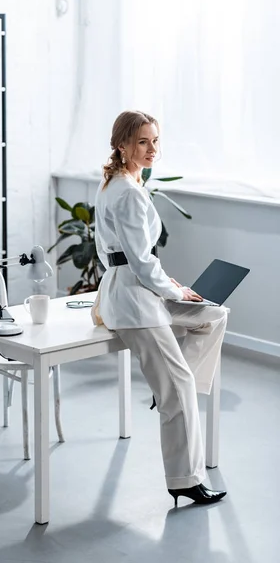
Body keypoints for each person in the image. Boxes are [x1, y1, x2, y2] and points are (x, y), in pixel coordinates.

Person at [93, 110, 228, 506]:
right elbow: (139, 260)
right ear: (122, 145)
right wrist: (172, 291)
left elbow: (128, 259)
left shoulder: (120, 182)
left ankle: (178, 384)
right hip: (134, 302)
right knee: (179, 389)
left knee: (214, 315)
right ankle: (185, 480)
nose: (152, 149)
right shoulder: (128, 192)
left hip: (137, 291)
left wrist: (172, 287)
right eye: (142, 142)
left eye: (154, 140)